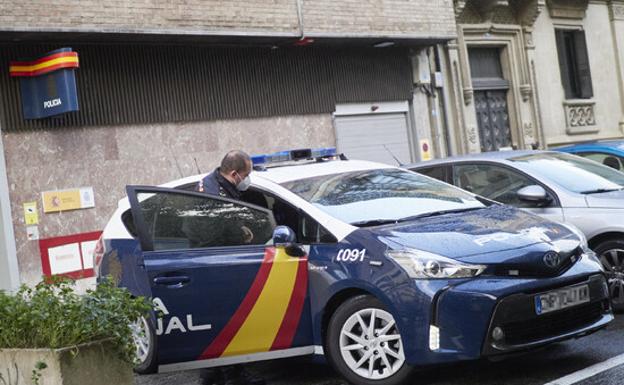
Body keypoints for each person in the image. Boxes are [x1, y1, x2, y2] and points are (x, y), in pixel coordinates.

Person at [197, 150, 265, 385]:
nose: (248, 180)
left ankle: (214, 375)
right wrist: (241, 233)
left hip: (217, 263)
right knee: (228, 322)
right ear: (235, 173)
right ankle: (233, 377)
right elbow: (216, 226)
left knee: (222, 323)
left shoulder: (217, 184)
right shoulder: (214, 193)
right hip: (216, 265)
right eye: (247, 174)